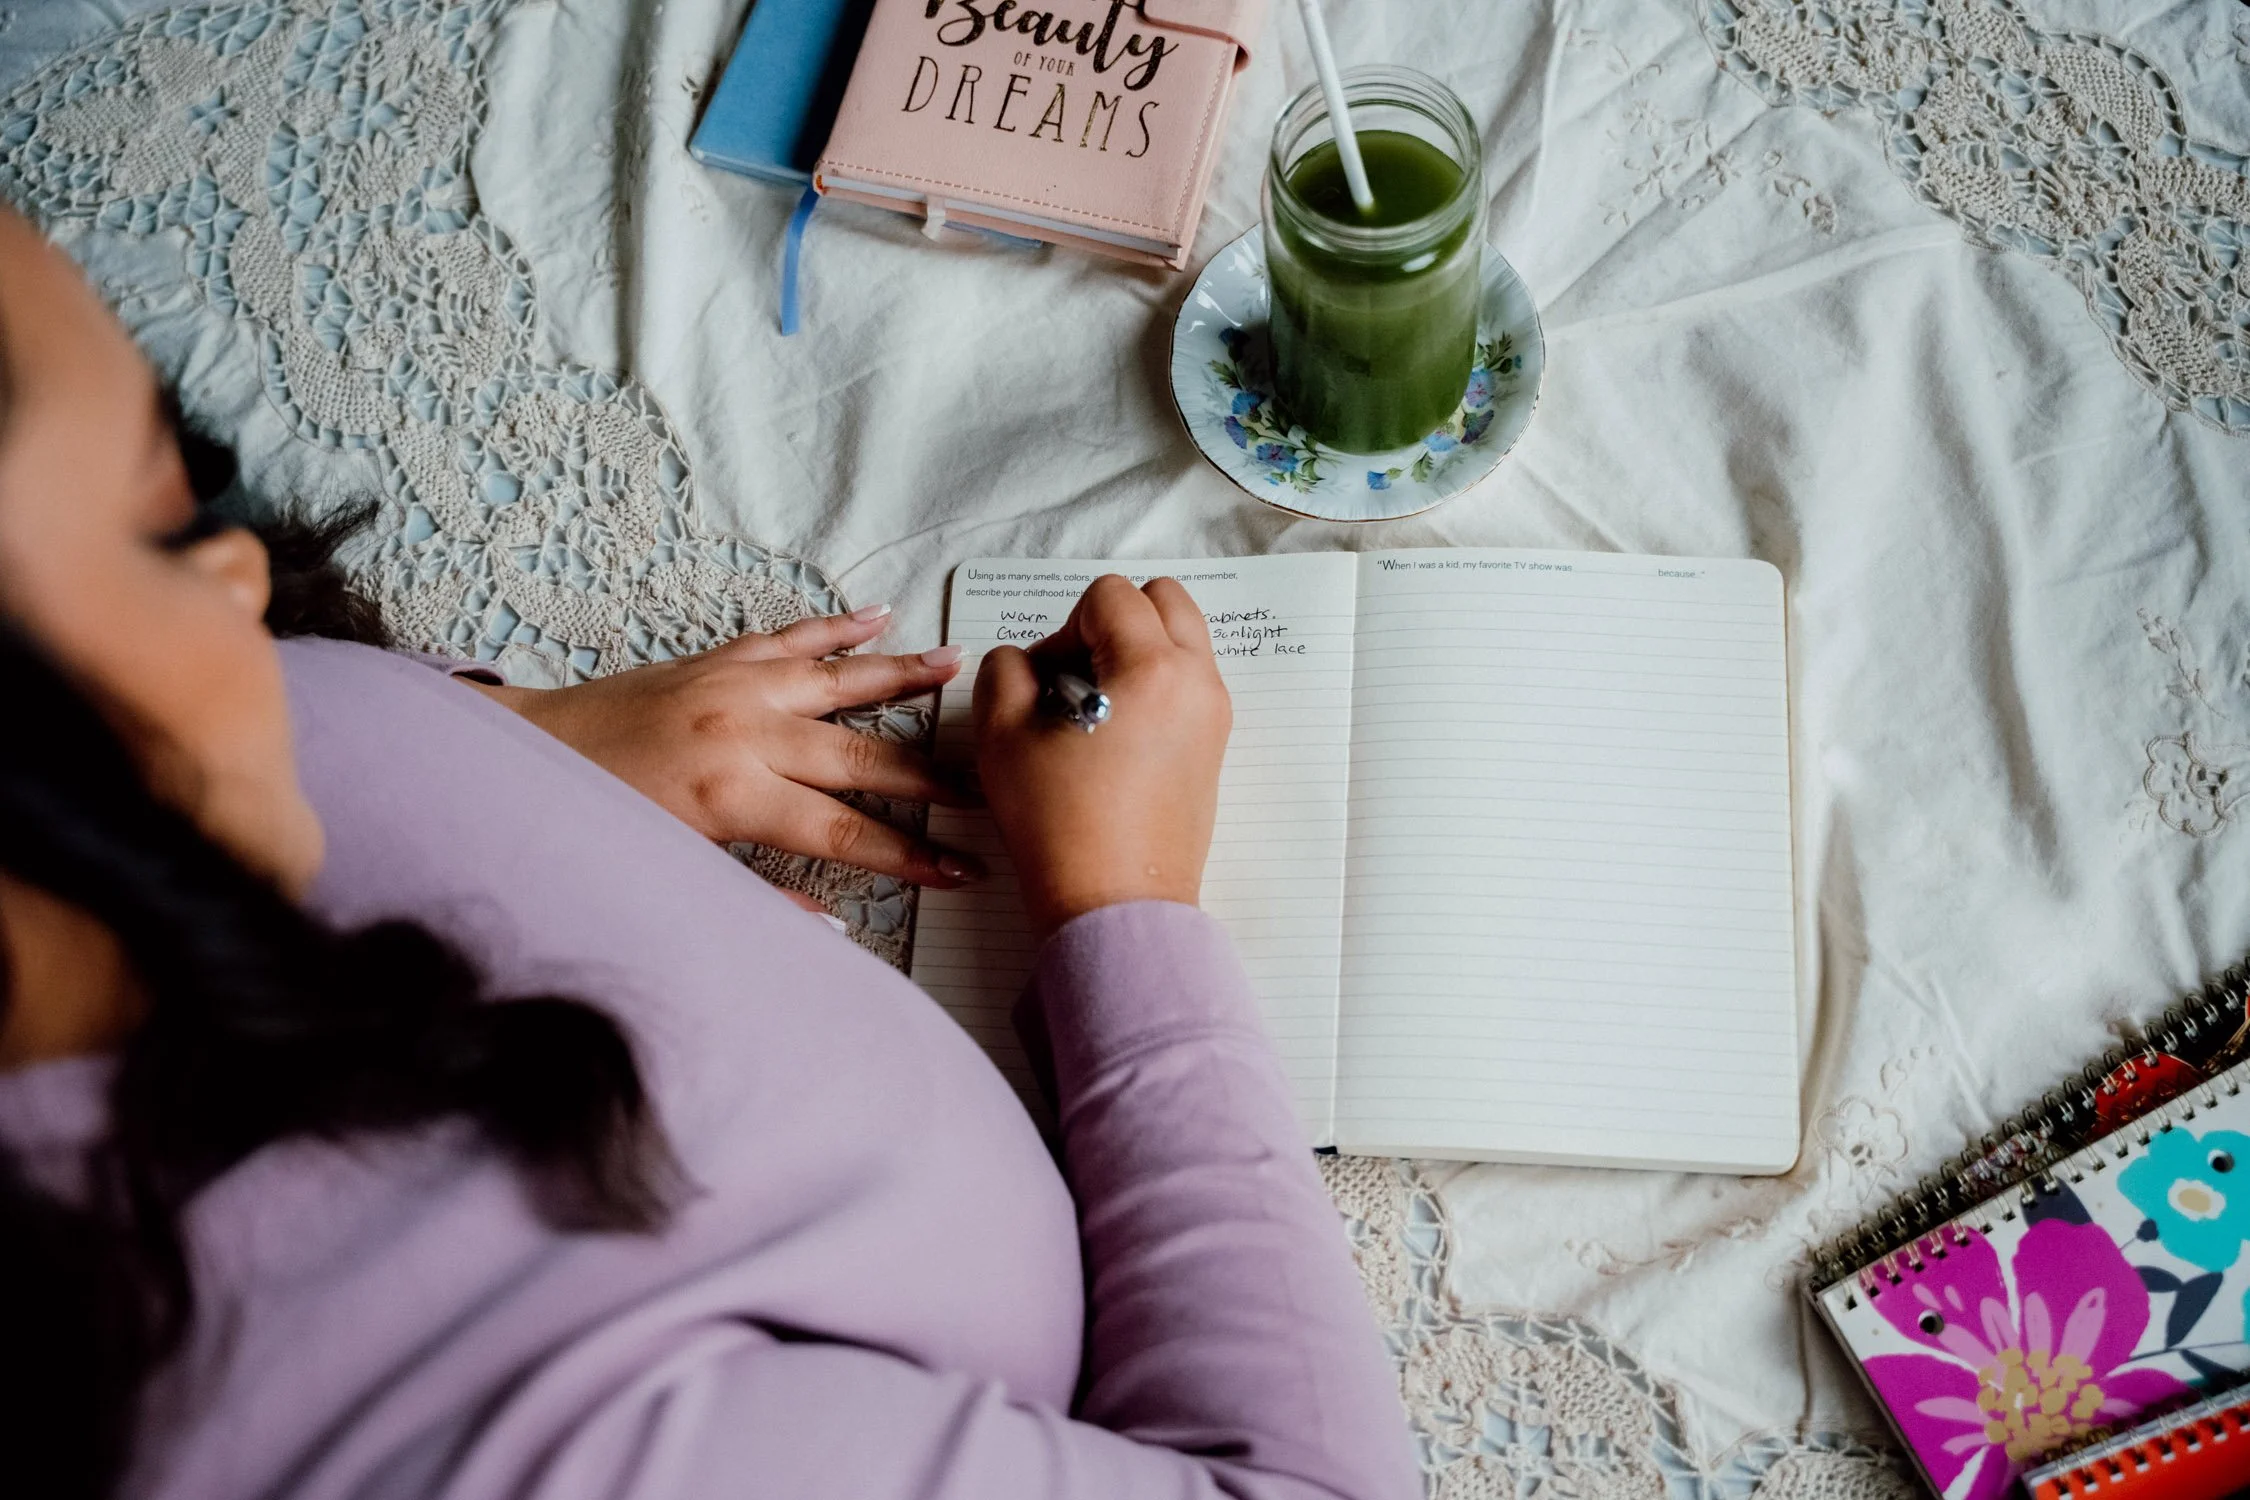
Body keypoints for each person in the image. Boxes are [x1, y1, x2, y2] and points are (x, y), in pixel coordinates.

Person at [0, 203, 1419, 1500]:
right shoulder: (461, 1442)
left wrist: (510, 741)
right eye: (153, 527)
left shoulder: (203, 778)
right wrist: (1124, 904)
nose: (247, 580)